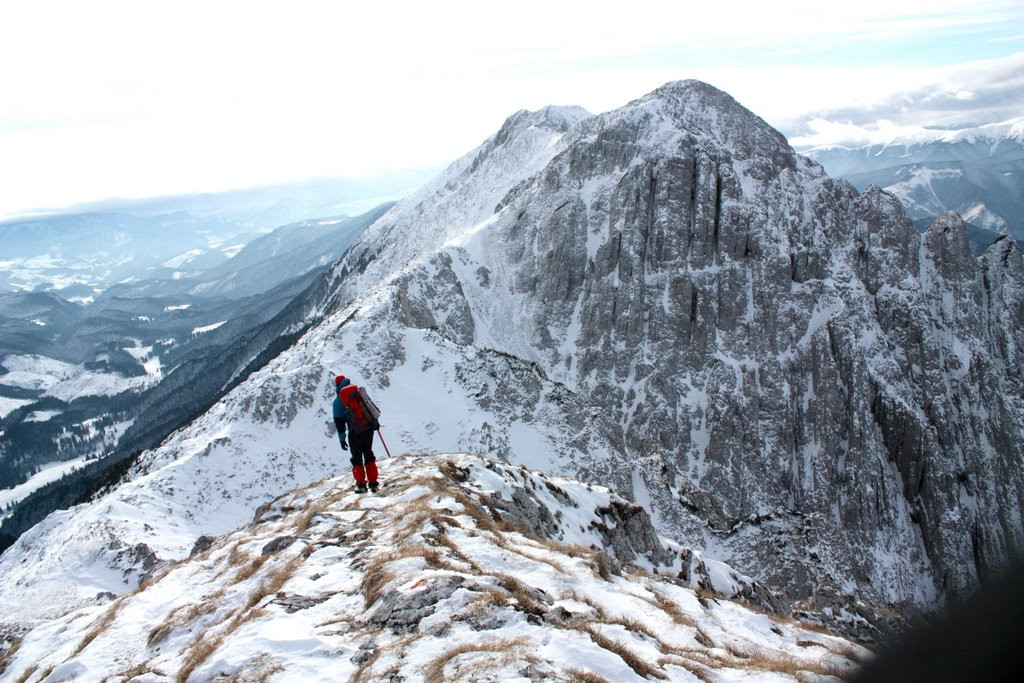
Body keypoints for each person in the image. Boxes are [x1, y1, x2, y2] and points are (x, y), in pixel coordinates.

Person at [332, 374, 380, 493]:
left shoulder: (338, 401)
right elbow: (369, 406)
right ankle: (373, 484)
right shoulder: (358, 391)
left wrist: (342, 439)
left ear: (337, 385)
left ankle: (361, 485)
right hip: (368, 428)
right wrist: (375, 422)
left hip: (354, 432)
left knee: (357, 459)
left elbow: (339, 423)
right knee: (368, 454)